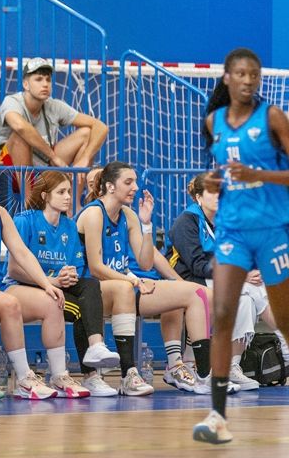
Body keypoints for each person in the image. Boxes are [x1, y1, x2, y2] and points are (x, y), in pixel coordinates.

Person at [193, 48, 289, 444]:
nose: (249, 80)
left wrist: (257, 173)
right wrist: (214, 180)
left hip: (270, 228)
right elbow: (221, 170)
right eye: (241, 74)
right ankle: (217, 416)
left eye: (255, 74)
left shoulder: (272, 117)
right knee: (222, 313)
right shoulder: (213, 121)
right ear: (227, 78)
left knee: (283, 318)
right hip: (231, 230)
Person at [76, 161, 214, 396]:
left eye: (135, 182)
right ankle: (128, 375)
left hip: (124, 285)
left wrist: (147, 224)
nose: (135, 187)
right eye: (128, 182)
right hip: (91, 290)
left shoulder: (128, 215)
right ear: (110, 186)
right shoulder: (94, 214)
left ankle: (204, 374)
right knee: (124, 288)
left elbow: (146, 263)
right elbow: (97, 267)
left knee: (196, 293)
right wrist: (133, 281)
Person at [0, 165, 87, 400]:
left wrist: (46, 284)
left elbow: (22, 252)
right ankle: (23, 379)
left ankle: (58, 375)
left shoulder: (0, 213)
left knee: (52, 300)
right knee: (10, 304)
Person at [170, 172, 288, 391]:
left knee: (248, 297)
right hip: (190, 282)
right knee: (249, 287)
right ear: (198, 197)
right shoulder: (186, 221)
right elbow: (197, 266)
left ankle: (232, 366)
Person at [6, 171, 120, 395]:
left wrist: (68, 276)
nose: (68, 196)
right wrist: (51, 280)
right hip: (25, 286)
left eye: (69, 191)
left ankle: (96, 346)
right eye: (61, 192)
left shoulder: (69, 226)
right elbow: (14, 269)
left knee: (90, 285)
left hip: (55, 285)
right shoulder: (25, 220)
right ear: (46, 195)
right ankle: (87, 376)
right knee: (80, 311)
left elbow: (75, 267)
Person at [0, 57, 107, 178]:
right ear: (26, 84)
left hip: (41, 168)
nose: (45, 84)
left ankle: (73, 196)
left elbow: (101, 127)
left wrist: (85, 158)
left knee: (86, 133)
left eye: (48, 80)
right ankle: (29, 197)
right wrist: (54, 157)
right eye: (38, 79)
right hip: (4, 171)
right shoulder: (11, 101)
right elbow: (20, 127)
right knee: (19, 136)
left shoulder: (54, 105)